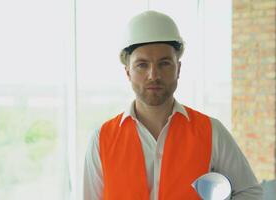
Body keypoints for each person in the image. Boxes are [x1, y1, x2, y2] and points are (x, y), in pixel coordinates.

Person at [83, 10, 263, 199]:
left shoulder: (211, 131)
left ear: (178, 69)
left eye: (164, 63)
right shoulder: (101, 139)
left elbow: (250, 193)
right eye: (142, 65)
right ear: (128, 72)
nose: (154, 75)